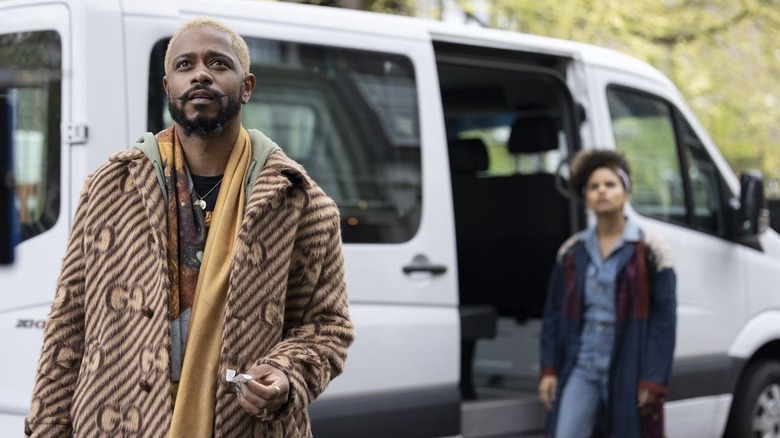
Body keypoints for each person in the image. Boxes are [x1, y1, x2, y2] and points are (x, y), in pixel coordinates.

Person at [24, 17, 354, 437]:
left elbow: (328, 326)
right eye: (185, 65)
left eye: (218, 63)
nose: (200, 73)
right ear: (168, 88)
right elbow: (68, 321)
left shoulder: (300, 202)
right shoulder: (111, 188)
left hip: (246, 425)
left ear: (246, 86)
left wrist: (287, 375)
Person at [538, 149, 676, 437]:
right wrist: (549, 369)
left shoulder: (651, 250)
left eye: (610, 184)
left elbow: (664, 320)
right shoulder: (572, 252)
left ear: (625, 193)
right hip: (582, 365)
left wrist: (653, 379)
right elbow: (552, 314)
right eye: (593, 186)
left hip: (629, 364)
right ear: (585, 197)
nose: (602, 191)